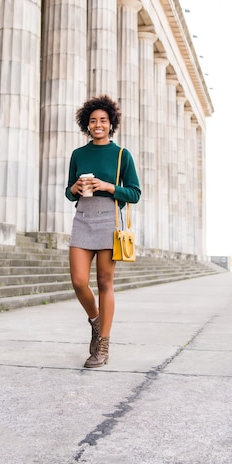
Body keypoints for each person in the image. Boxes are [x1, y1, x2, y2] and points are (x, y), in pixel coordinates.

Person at [65, 95, 141, 368]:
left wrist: (109, 186)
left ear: (111, 124)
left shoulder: (122, 155)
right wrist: (73, 189)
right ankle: (96, 320)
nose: (98, 124)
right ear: (87, 124)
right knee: (78, 281)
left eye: (103, 120)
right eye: (93, 120)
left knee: (105, 283)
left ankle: (103, 346)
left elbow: (134, 193)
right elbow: (68, 191)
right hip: (83, 218)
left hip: (110, 220)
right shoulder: (78, 154)